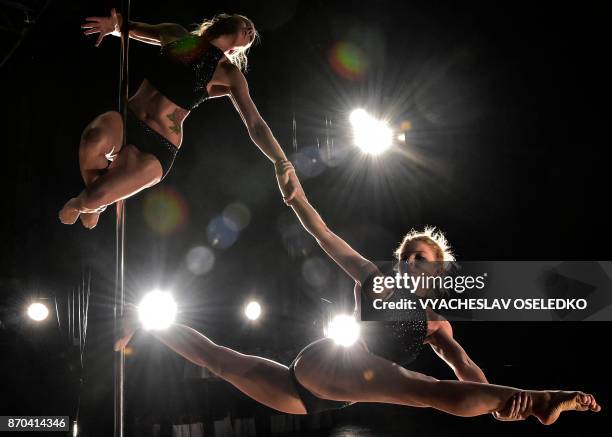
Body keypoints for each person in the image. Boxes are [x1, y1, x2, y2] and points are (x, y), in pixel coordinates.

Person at [113, 160, 600, 424]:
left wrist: (494, 401)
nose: (408, 262)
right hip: (332, 364)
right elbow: (324, 236)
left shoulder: (437, 324)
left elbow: (464, 370)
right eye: (406, 254)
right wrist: (298, 197)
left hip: (313, 396)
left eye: (421, 259)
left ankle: (147, 324)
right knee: (423, 391)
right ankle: (541, 398)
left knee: (220, 362)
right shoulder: (376, 280)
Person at [60, 9, 302, 228]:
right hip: (127, 119)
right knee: (93, 140)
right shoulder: (177, 35)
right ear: (225, 20)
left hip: (158, 147)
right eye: (246, 23)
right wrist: (114, 25)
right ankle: (95, 201)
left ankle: (88, 201)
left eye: (252, 35)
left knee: (93, 197)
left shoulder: (228, 74)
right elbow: (128, 27)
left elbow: (255, 124)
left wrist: (281, 162)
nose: (251, 29)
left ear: (237, 50)